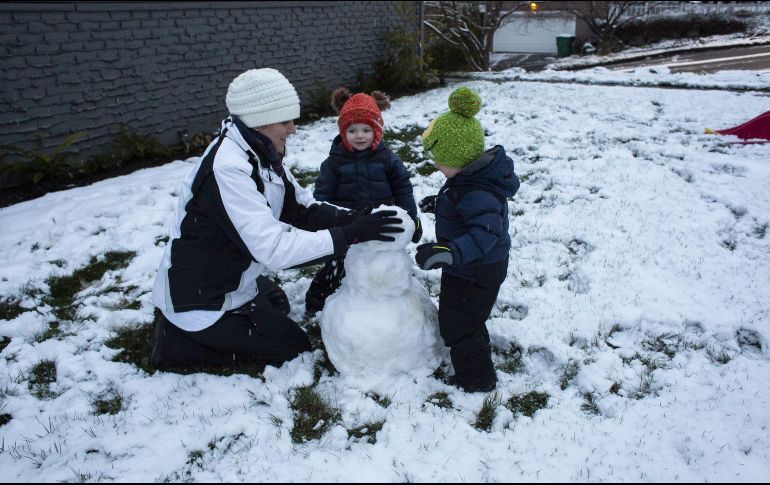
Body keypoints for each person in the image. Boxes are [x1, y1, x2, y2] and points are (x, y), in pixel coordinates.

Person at [150, 68, 404, 371]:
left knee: (279, 304)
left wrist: (352, 219)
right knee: (293, 349)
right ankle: (177, 342)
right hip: (202, 296)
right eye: (285, 121)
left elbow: (298, 207)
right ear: (260, 120)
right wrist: (348, 236)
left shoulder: (258, 151)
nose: (294, 129)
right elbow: (273, 248)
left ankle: (222, 324)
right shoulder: (228, 169)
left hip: (231, 277)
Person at [414, 86, 520, 393]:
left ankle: (477, 380)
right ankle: (476, 352)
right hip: (469, 267)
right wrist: (442, 203)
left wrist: (446, 252)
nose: (435, 165)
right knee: (467, 317)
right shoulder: (468, 181)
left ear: (456, 156)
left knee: (458, 325)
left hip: (475, 270)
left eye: (438, 159)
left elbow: (484, 234)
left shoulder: (478, 192)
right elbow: (466, 208)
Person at [304, 87, 420, 314]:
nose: (359, 135)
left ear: (377, 131)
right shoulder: (333, 163)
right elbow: (323, 196)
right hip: (346, 226)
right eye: (352, 130)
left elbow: (403, 189)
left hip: (381, 225)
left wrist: (411, 219)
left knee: (383, 265)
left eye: (367, 129)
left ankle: (387, 301)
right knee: (336, 266)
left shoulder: (388, 160)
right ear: (343, 132)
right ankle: (317, 300)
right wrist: (325, 223)